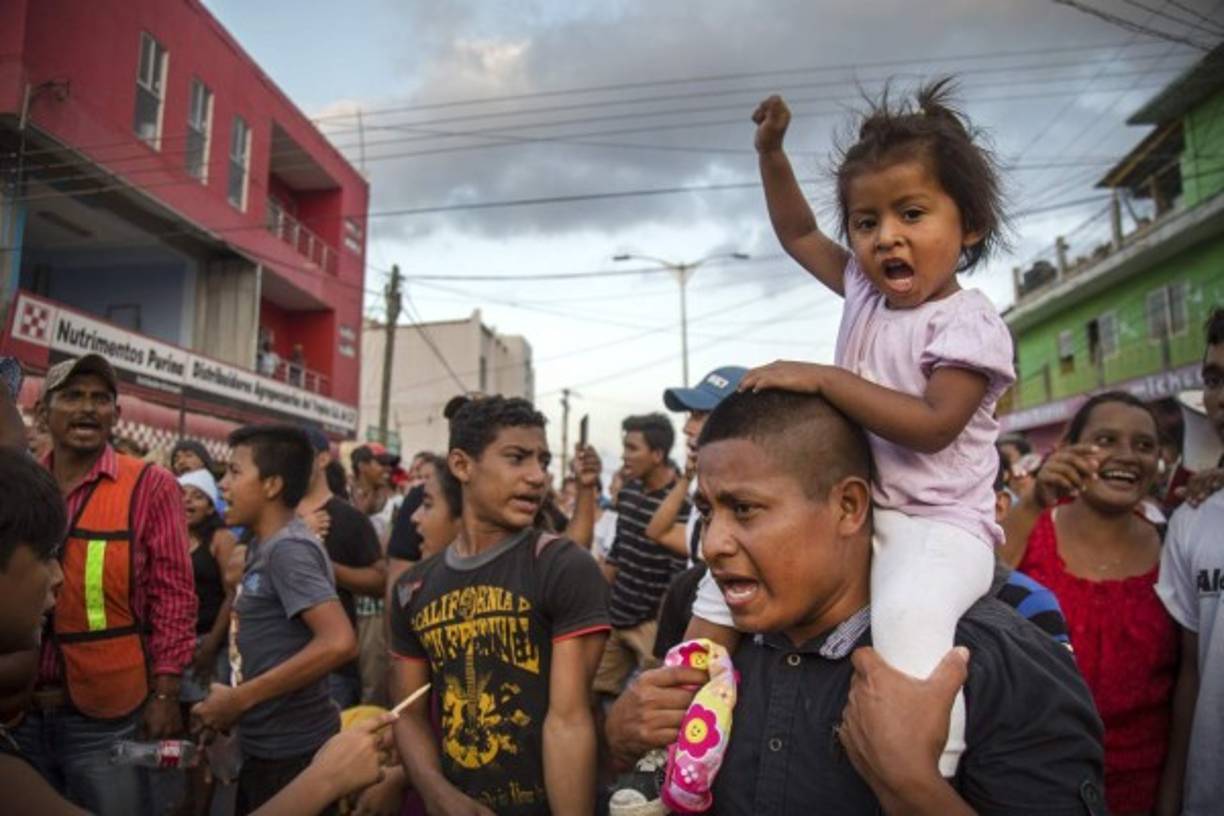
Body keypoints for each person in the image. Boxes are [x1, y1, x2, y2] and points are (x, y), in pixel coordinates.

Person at [687, 81, 1015, 777]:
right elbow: (799, 233)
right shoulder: (866, 290)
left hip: (937, 524)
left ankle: (925, 769)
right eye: (866, 222)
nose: (885, 236)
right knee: (721, 586)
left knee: (910, 628)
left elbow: (932, 426)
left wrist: (823, 378)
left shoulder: (968, 323)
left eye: (912, 213)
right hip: (865, 508)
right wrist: (771, 152)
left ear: (972, 226)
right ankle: (688, 743)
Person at [605, 389, 1105, 813]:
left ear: (848, 506)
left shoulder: (1000, 666)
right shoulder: (705, 640)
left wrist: (914, 787)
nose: (713, 542)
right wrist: (622, 741)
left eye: (745, 509)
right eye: (707, 511)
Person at [389, 395, 610, 816]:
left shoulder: (560, 567)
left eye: (542, 462)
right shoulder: (412, 589)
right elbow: (409, 714)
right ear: (462, 465)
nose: (537, 477)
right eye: (517, 458)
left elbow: (569, 721)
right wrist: (439, 796)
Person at [8, 355, 196, 816]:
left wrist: (166, 693)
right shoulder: (20, 480)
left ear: (117, 414)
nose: (87, 409)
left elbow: (173, 593)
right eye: (72, 396)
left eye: (100, 399)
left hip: (111, 716)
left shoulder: (151, 484)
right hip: (19, 710)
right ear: (42, 413)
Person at [1001, 392, 1177, 814]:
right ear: (1066, 450)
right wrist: (1034, 501)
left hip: (1145, 788)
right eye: (1105, 440)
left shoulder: (1177, 544)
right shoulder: (1032, 527)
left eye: (1144, 445)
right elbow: (972, 589)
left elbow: (1191, 683)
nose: (1126, 455)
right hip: (1032, 785)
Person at [191, 424, 358, 815]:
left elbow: (339, 642)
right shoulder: (262, 546)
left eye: (234, 472)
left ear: (271, 485)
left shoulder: (289, 550)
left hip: (293, 756)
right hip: (266, 747)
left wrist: (239, 700)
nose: (223, 485)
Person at [1154, 308, 1224, 816]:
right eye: (1215, 379)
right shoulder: (1191, 519)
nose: (1221, 397)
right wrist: (1174, 796)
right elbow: (1192, 676)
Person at [596, 413, 690, 696]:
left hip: (650, 627)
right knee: (595, 693)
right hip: (615, 616)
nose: (625, 457)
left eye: (632, 449)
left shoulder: (680, 504)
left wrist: (662, 635)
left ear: (658, 454)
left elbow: (676, 580)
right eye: (624, 447)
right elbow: (617, 553)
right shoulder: (628, 493)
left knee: (650, 706)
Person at [296, 428, 385, 709]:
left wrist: (324, 565)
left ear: (322, 460)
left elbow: (380, 581)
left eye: (299, 455)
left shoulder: (350, 519)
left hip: (332, 671)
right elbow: (237, 570)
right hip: (275, 662)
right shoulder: (276, 513)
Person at [177, 468, 238, 815]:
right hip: (178, 645)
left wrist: (212, 645)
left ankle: (204, 806)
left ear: (211, 504)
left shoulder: (220, 539)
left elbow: (232, 595)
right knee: (183, 730)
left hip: (206, 646)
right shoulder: (170, 534)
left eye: (197, 496)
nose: (188, 502)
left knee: (206, 730)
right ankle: (188, 798)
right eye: (183, 494)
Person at [646, 366, 747, 563]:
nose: (686, 428)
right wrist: (687, 476)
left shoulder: (747, 506)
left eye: (699, 416)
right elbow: (657, 531)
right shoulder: (707, 501)